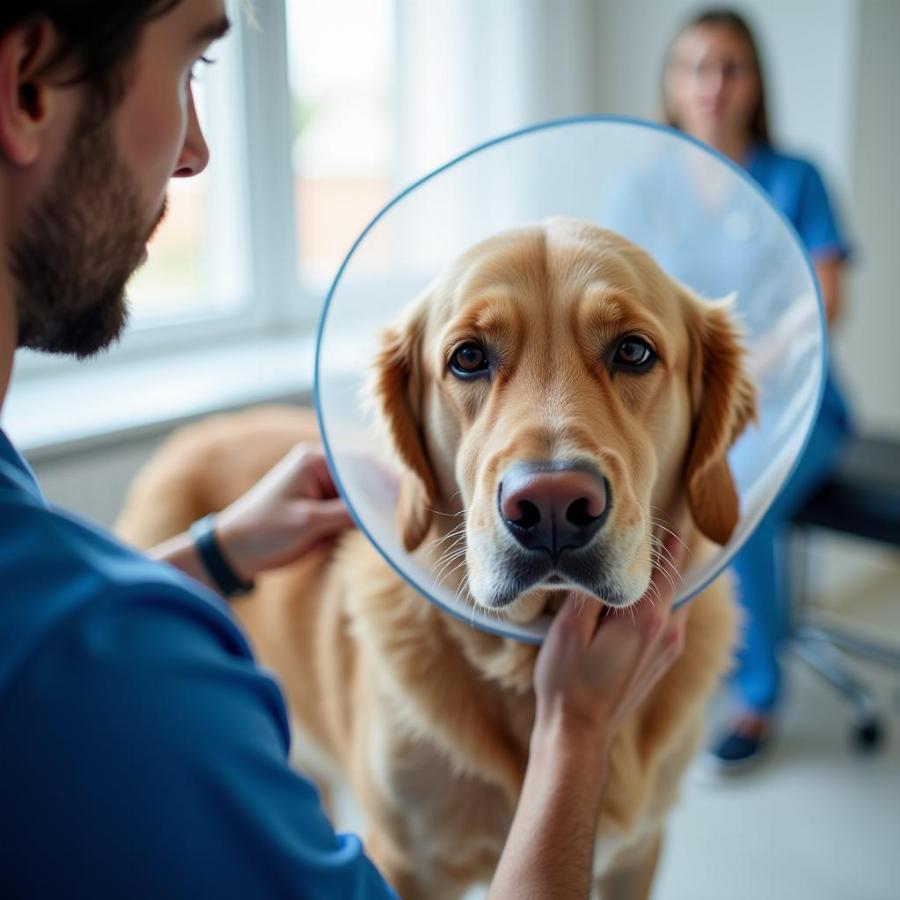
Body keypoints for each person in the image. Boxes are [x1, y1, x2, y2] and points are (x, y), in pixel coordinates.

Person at [0, 2, 688, 896]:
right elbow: (79, 656)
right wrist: (577, 736)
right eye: (188, 72)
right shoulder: (128, 692)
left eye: (631, 353)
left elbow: (62, 640)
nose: (197, 152)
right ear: (24, 90)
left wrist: (215, 551)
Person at [660, 8, 853, 771]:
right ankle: (663, 657)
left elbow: (823, 304)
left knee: (732, 487)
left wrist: (732, 370)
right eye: (696, 68)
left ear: (755, 83)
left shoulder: (794, 178)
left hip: (796, 406)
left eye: (731, 67)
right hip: (687, 408)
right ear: (672, 85)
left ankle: (756, 695)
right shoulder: (646, 183)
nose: (713, 85)